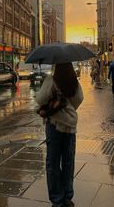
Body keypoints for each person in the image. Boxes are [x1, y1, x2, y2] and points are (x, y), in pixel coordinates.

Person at [36, 62, 84, 207]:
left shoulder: (51, 80)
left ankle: (57, 198)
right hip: (70, 126)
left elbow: (40, 99)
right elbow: (79, 99)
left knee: (53, 162)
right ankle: (68, 195)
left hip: (54, 125)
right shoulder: (74, 83)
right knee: (68, 160)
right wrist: (68, 108)